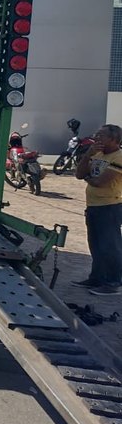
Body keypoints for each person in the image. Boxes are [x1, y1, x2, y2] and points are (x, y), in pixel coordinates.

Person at [74, 124, 122, 296]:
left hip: (109, 206)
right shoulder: (97, 154)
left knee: (110, 245)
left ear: (114, 139)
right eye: (97, 135)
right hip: (93, 205)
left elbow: (100, 182)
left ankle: (113, 282)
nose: (97, 139)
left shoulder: (119, 156)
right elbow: (79, 173)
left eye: (102, 136)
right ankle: (97, 277)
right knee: (95, 244)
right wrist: (88, 154)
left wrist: (87, 177)